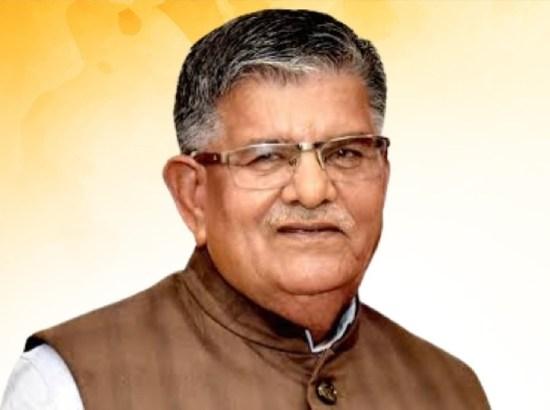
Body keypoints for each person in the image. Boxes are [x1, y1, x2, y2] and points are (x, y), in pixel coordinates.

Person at [2, 9, 490, 409]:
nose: (313, 190)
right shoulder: (70, 386)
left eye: (345, 153)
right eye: (267, 157)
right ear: (192, 194)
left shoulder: (450, 390)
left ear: (383, 173)